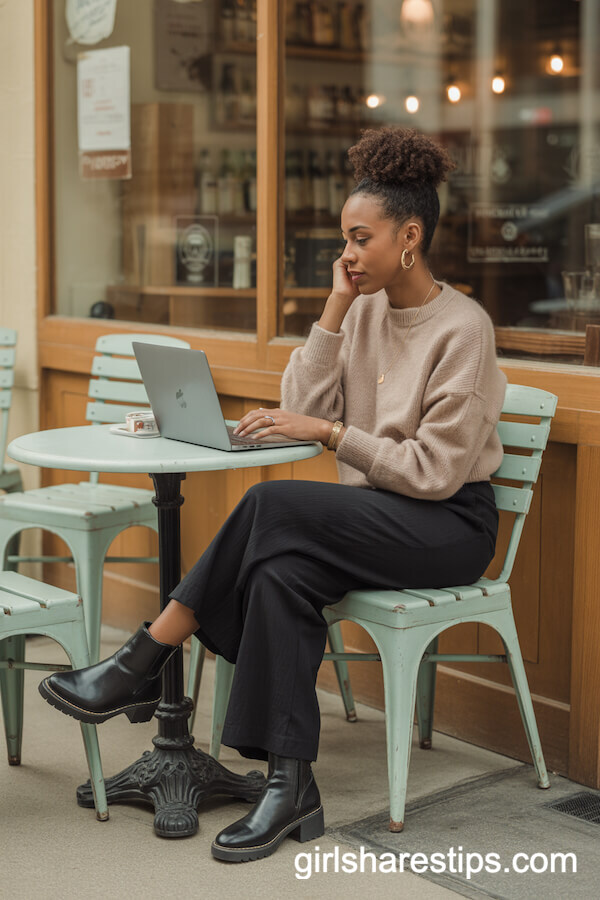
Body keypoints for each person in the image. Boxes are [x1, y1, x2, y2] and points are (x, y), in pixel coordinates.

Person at [39, 127, 506, 863]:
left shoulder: (463, 329)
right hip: (376, 517)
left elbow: (436, 472)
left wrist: (329, 433)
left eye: (361, 238)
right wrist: (333, 307)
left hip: (448, 525)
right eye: (343, 239)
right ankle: (290, 787)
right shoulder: (363, 311)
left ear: (409, 236)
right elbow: (302, 396)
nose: (347, 253)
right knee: (281, 570)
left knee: (269, 505)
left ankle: (143, 658)